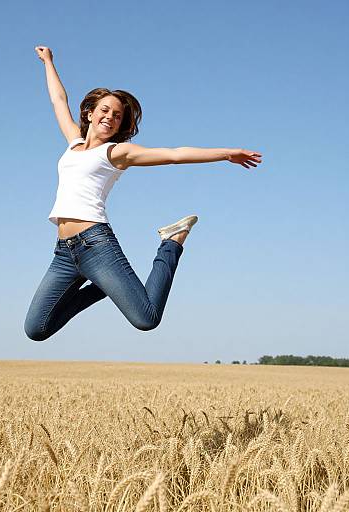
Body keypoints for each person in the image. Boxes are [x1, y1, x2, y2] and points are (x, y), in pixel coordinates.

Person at [24, 46, 262, 342]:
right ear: (90, 112)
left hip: (95, 244)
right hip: (63, 252)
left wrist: (226, 154)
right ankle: (103, 284)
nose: (110, 117)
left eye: (118, 115)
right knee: (37, 328)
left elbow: (174, 154)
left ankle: (172, 242)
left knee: (146, 318)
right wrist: (48, 61)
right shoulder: (73, 144)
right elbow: (58, 100)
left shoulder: (116, 153)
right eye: (105, 110)